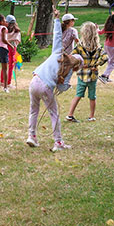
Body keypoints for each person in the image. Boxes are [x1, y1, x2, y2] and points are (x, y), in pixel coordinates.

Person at [26, 9, 82, 152]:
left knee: (34, 110)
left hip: (34, 80)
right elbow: (62, 88)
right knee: (54, 114)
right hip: (45, 86)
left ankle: (31, 136)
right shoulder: (68, 69)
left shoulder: (58, 52)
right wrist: (67, 85)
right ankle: (58, 142)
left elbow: (57, 35)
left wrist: (57, 19)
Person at [67, 21, 106, 123]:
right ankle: (91, 116)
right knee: (92, 96)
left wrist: (79, 64)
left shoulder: (79, 46)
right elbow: (105, 57)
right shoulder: (98, 47)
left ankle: (70, 114)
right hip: (92, 75)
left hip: (82, 75)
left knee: (78, 94)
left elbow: (72, 57)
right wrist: (96, 64)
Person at [99, 13, 114, 83]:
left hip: (106, 46)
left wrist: (96, 28)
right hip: (113, 47)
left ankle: (107, 77)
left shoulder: (107, 27)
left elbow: (99, 32)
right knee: (113, 64)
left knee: (110, 62)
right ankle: (104, 76)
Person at [4, 15, 21, 89]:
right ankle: (8, 83)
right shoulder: (17, 31)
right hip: (12, 48)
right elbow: (17, 40)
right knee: (11, 65)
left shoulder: (4, 30)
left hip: (5, 47)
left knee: (4, 65)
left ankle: (2, 82)